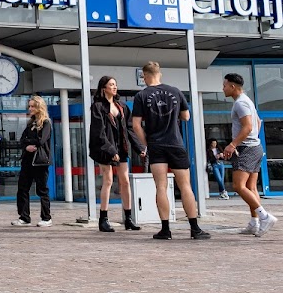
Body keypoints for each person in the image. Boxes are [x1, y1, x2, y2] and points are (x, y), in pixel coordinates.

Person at [131, 61, 210, 240]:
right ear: (160, 74)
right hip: (176, 143)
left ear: (144, 76)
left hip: (156, 145)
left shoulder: (141, 96)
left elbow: (136, 125)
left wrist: (147, 144)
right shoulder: (175, 91)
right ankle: (195, 228)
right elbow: (186, 116)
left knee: (160, 186)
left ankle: (165, 229)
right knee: (185, 186)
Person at [88, 76, 145, 232]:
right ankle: (103, 219)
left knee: (125, 181)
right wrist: (111, 150)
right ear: (103, 88)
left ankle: (128, 218)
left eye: (115, 84)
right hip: (104, 147)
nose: (114, 87)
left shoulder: (122, 106)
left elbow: (129, 129)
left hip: (122, 147)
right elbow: (98, 132)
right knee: (108, 180)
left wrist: (140, 148)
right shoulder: (97, 107)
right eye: (111, 84)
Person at [222, 73, 276, 236]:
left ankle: (265, 217)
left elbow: (247, 127)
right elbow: (257, 122)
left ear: (233, 86)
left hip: (246, 149)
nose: (222, 89)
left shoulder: (241, 103)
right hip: (254, 147)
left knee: (239, 186)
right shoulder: (247, 101)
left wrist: (233, 145)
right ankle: (254, 223)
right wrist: (253, 139)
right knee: (251, 187)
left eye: (224, 85)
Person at [12, 96, 53, 227]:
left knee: (42, 189)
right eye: (29, 106)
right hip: (27, 161)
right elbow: (22, 140)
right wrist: (27, 146)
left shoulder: (46, 123)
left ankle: (46, 218)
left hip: (39, 161)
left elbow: (41, 141)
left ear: (39, 107)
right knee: (22, 188)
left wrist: (29, 143)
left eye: (32, 106)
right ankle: (24, 217)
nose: (30, 109)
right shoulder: (31, 123)